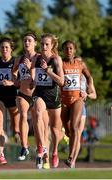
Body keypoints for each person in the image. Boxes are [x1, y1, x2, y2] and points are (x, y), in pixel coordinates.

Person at [32, 33, 64, 169]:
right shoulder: (37, 58)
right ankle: (41, 146)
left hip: (54, 97)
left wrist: (48, 71)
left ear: (52, 46)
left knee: (55, 130)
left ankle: (55, 151)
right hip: (40, 94)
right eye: (42, 44)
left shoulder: (56, 59)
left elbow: (61, 81)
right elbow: (32, 73)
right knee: (38, 112)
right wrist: (31, 80)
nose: (44, 47)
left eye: (47, 44)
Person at [61, 40, 94, 168]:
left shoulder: (80, 64)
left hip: (77, 99)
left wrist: (90, 86)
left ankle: (71, 158)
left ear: (74, 50)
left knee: (75, 127)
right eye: (66, 49)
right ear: (63, 51)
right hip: (64, 101)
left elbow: (89, 76)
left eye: (70, 48)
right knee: (69, 131)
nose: (68, 51)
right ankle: (72, 149)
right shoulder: (61, 63)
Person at [0, 37, 20, 165]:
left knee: (16, 129)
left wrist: (11, 83)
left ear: (11, 49)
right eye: (2, 47)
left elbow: (20, 83)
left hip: (13, 98)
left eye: (7, 47)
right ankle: (1, 154)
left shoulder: (16, 62)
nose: (4, 49)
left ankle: (17, 136)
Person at [12, 32, 38, 161]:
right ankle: (24, 146)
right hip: (23, 94)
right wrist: (15, 81)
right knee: (22, 114)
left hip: (38, 95)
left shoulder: (39, 58)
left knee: (39, 122)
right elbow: (13, 71)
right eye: (25, 41)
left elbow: (34, 82)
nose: (26, 43)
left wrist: (29, 68)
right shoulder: (19, 59)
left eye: (29, 40)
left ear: (35, 43)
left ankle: (42, 149)